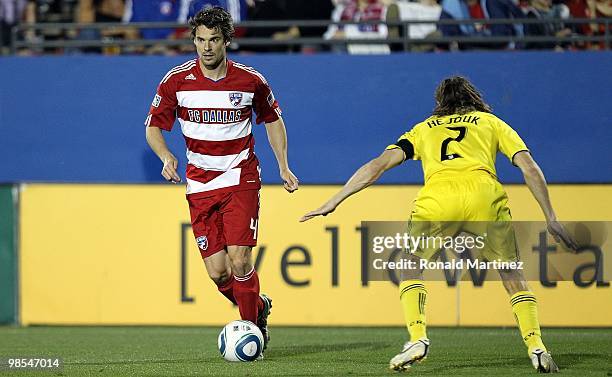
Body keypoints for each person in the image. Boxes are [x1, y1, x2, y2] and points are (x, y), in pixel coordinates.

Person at [301, 76, 577, 373]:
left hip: (438, 200)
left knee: (410, 264)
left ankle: (418, 338)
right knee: (511, 272)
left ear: (438, 103)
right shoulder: (491, 123)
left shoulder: (422, 130)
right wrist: (551, 216)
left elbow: (377, 165)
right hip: (485, 196)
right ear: (474, 98)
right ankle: (536, 346)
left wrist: (336, 199)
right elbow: (528, 167)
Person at [145, 6, 299, 354]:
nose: (207, 47)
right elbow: (153, 126)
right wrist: (166, 156)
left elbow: (272, 119)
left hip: (239, 176)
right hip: (199, 185)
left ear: (227, 40)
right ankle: (257, 306)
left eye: (214, 39)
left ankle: (253, 336)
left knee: (240, 259)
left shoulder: (251, 81)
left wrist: (283, 166)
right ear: (194, 40)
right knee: (219, 273)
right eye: (201, 39)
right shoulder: (175, 81)